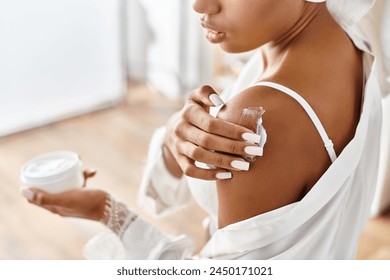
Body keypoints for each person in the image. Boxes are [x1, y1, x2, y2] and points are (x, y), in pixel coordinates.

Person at [20, 0, 390, 259]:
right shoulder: (350, 42)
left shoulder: (262, 117)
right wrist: (172, 137)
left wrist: (108, 212)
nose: (199, 5)